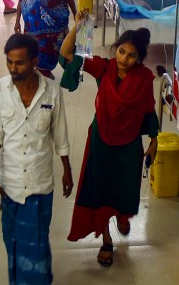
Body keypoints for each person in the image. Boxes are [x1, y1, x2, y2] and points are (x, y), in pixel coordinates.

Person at [60, 15, 159, 267]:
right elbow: (67, 52)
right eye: (121, 51)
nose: (123, 59)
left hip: (129, 145)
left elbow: (149, 110)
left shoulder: (144, 79)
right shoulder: (103, 68)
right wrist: (80, 26)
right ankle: (106, 240)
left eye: (131, 55)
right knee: (100, 191)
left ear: (140, 59)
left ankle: (123, 215)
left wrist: (154, 140)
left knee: (125, 189)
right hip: (101, 141)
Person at [0, 33, 72, 285]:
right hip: (9, 179)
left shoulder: (51, 92)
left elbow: (60, 134)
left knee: (36, 237)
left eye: (20, 63)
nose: (13, 68)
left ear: (35, 62)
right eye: (9, 62)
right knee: (11, 235)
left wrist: (67, 170)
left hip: (39, 178)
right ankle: (17, 283)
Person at [14, 0, 76, 79]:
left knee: (55, 49)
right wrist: (17, 21)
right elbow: (22, 0)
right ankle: (42, 72)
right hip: (35, 27)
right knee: (38, 49)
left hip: (57, 25)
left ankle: (46, 70)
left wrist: (75, 13)